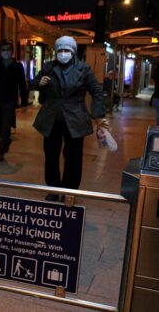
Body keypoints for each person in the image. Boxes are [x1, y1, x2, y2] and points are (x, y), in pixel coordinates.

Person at [33, 36, 107, 201]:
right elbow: (33, 82)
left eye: (67, 50)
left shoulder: (84, 69)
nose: (63, 53)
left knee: (73, 157)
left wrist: (98, 115)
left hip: (75, 119)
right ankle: (53, 189)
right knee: (51, 155)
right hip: (51, 119)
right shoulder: (48, 67)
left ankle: (70, 191)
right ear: (56, 52)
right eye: (60, 50)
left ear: (73, 52)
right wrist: (39, 83)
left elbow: (96, 91)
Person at [0, 42, 28, 161]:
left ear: (12, 51)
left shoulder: (17, 66)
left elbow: (22, 85)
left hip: (10, 100)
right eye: (4, 49)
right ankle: (6, 140)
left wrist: (24, 103)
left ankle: (1, 150)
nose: (6, 51)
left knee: (6, 125)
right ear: (0, 51)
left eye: (8, 49)